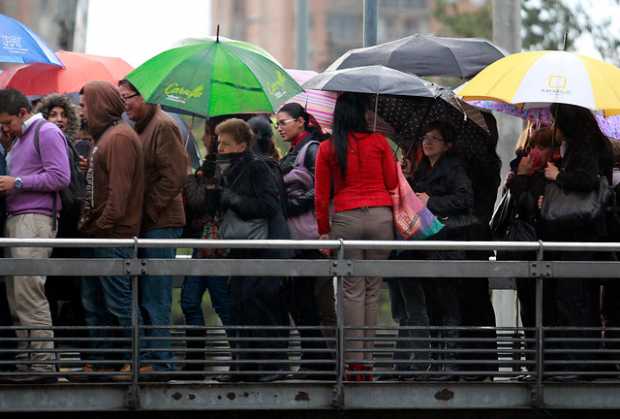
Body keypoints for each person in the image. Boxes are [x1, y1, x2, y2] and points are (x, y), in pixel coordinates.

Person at [315, 93, 397, 381]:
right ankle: (368, 362)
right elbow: (392, 182)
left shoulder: (328, 148)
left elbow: (321, 196)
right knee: (373, 290)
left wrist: (323, 230)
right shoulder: (379, 143)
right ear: (362, 114)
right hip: (380, 219)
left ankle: (354, 365)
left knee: (351, 290)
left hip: (346, 219)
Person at [205, 118, 290, 382]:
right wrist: (213, 191)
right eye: (219, 143)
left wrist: (231, 198)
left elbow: (269, 205)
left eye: (225, 143)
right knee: (240, 303)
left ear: (241, 145)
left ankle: (271, 366)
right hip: (241, 245)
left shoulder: (257, 167)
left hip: (260, 247)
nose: (220, 148)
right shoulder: (227, 168)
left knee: (259, 304)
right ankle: (244, 366)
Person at [0, 88, 71, 384]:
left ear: (22, 113)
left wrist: (16, 182)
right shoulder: (21, 138)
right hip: (20, 219)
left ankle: (41, 367)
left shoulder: (46, 132)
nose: (5, 129)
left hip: (35, 219)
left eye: (7, 123)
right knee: (18, 297)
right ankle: (28, 364)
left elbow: (60, 177)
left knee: (29, 295)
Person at [118, 79, 188, 378]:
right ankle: (148, 357)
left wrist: (146, 211)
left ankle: (161, 361)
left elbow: (175, 177)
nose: (124, 105)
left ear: (144, 95)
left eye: (127, 98)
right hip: (146, 223)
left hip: (160, 223)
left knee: (155, 295)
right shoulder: (140, 126)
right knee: (143, 294)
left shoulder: (163, 125)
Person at [78, 81, 145, 380]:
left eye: (85, 105)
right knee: (95, 303)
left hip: (113, 235)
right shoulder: (106, 137)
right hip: (99, 234)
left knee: (119, 303)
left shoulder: (119, 138)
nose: (81, 111)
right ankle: (102, 362)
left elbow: (119, 196)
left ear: (99, 105)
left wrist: (102, 226)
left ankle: (137, 362)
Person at [543, 103, 613, 380]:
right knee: (582, 299)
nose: (554, 127)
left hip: (579, 232)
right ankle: (583, 363)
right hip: (588, 231)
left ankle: (577, 364)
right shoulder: (593, 142)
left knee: (574, 299)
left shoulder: (583, 146)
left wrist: (557, 175)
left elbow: (585, 180)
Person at [405, 121, 474, 381]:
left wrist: (431, 201)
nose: (428, 142)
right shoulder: (423, 167)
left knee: (448, 302)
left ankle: (450, 364)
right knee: (432, 303)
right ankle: (436, 362)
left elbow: (465, 199)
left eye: (435, 138)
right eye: (425, 137)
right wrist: (407, 177)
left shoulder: (454, 168)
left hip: (448, 243)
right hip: (427, 243)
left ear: (447, 145)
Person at [276, 103, 336, 379]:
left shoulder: (311, 149)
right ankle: (315, 359)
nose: (279, 128)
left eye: (284, 122)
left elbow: (322, 189)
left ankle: (319, 361)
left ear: (301, 121)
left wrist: (290, 205)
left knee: (306, 299)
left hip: (309, 234)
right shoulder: (295, 150)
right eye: (277, 124)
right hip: (297, 235)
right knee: (299, 300)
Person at [180, 117, 233, 379]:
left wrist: (192, 180)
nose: (203, 138)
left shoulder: (224, 168)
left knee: (222, 303)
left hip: (216, 245)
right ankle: (194, 364)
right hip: (201, 244)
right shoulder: (208, 166)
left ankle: (238, 360)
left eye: (209, 134)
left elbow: (201, 202)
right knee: (189, 300)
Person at [35, 94, 87, 346]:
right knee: (52, 288)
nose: (59, 120)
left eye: (64, 115)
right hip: (58, 221)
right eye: (53, 115)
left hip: (70, 225)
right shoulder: (45, 145)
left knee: (71, 288)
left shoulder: (73, 147)